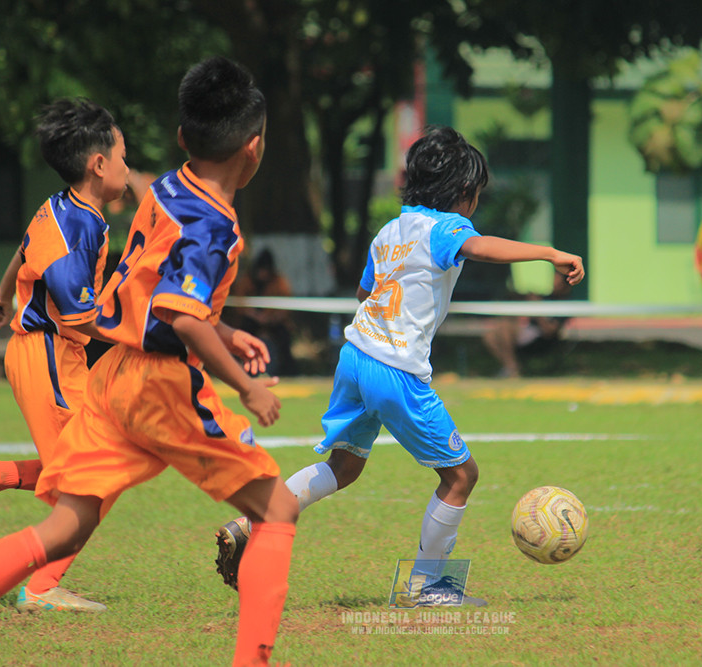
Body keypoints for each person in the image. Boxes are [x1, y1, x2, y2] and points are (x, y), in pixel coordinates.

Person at [0, 56, 298, 667]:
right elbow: (181, 316)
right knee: (278, 509)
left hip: (112, 378)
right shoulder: (218, 227)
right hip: (160, 384)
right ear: (254, 150)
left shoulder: (168, 188)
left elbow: (164, 292)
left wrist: (225, 331)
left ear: (183, 139)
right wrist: (245, 386)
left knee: (64, 529)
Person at [213, 126, 584, 607]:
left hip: (355, 357)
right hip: (395, 370)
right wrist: (550, 253)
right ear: (461, 194)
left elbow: (365, 293)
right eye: (474, 195)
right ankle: (427, 587)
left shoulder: (391, 230)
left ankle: (254, 519)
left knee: (343, 468)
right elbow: (480, 247)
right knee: (460, 477)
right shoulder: (447, 226)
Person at [0, 98, 128, 613]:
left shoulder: (62, 206)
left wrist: (3, 292)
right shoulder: (82, 228)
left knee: (94, 467)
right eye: (123, 157)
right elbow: (78, 318)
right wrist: (141, 336)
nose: (127, 167)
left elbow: (25, 250)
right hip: (49, 354)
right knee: (96, 474)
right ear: (98, 164)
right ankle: (41, 586)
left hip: (51, 356)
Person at [482, 274, 572, 378]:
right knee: (490, 336)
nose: (553, 282)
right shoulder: (545, 297)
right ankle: (511, 366)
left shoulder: (564, 304)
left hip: (540, 337)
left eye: (556, 280)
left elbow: (549, 331)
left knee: (505, 327)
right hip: (527, 330)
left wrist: (537, 309)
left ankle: (512, 368)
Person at [228, 247, 298, 376]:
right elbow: (239, 305)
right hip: (251, 321)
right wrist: (255, 316)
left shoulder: (279, 282)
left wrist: (270, 318)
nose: (263, 274)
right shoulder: (246, 281)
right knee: (241, 333)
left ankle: (289, 371)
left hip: (273, 321)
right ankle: (237, 368)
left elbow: (286, 307)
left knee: (284, 336)